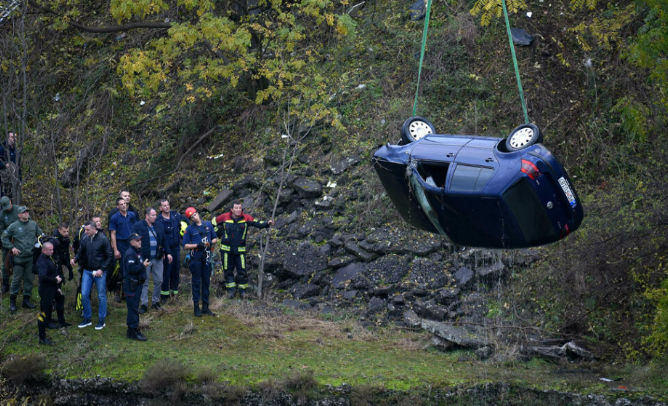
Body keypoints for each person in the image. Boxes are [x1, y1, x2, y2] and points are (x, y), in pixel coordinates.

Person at [214, 200, 273, 299]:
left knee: (242, 271)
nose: (238, 210)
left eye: (239, 208)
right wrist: (215, 233)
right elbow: (212, 224)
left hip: (240, 251)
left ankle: (243, 292)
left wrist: (267, 223)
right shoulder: (224, 217)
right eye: (236, 208)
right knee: (228, 271)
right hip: (226, 251)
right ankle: (231, 291)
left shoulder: (246, 218)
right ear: (231, 209)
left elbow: (257, 223)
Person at [71, 221, 113, 330]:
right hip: (87, 271)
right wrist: (75, 259)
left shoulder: (103, 239)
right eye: (85, 229)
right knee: (84, 294)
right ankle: (87, 318)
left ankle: (101, 320)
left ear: (94, 229)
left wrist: (102, 269)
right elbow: (81, 252)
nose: (85, 231)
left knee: (101, 296)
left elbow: (109, 256)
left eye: (87, 229)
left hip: (99, 272)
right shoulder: (85, 238)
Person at [1, 206, 43, 312]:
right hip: (18, 258)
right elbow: (4, 237)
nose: (26, 213)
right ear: (19, 215)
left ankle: (26, 300)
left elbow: (41, 236)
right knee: (16, 280)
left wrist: (40, 245)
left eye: (27, 212)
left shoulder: (33, 224)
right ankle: (12, 302)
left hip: (30, 257)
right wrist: (12, 248)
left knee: (29, 279)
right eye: (23, 212)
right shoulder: (14, 226)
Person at [131, 207, 172, 313]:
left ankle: (155, 301)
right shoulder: (138, 226)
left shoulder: (158, 225)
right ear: (147, 216)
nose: (155, 217)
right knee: (144, 282)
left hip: (157, 258)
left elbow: (164, 240)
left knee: (159, 280)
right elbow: (132, 241)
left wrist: (168, 253)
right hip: (145, 259)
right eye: (153, 215)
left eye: (155, 215)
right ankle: (144, 304)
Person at [182, 207, 217, 317]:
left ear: (198, 213)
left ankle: (206, 307)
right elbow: (185, 245)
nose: (194, 217)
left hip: (206, 257)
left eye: (195, 214)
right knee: (196, 282)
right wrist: (197, 245)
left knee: (206, 282)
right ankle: (196, 307)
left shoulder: (208, 225)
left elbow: (215, 238)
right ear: (190, 219)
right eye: (192, 217)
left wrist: (211, 243)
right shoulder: (189, 229)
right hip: (196, 257)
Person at [36, 242, 71, 345]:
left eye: (52, 249)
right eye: (50, 250)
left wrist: (57, 287)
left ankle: (61, 321)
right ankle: (42, 337)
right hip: (45, 290)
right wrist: (55, 280)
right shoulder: (42, 261)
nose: (52, 251)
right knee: (43, 312)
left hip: (53, 288)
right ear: (44, 250)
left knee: (60, 299)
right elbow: (42, 277)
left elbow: (54, 272)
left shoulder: (49, 257)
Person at [156, 199, 187, 302]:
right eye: (164, 206)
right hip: (166, 249)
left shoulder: (175, 216)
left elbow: (186, 221)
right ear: (160, 208)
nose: (167, 207)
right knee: (166, 272)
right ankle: (164, 295)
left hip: (176, 248)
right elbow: (159, 238)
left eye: (168, 205)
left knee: (175, 271)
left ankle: (175, 293)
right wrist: (164, 251)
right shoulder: (158, 220)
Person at [123, 232, 149, 341]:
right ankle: (133, 331)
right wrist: (143, 266)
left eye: (140, 240)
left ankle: (132, 330)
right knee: (133, 308)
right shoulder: (130, 253)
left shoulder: (137, 251)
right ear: (132, 242)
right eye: (137, 240)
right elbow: (131, 269)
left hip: (137, 284)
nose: (140, 242)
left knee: (134, 307)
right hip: (131, 285)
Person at [109, 198, 137, 300]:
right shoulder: (114, 218)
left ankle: (128, 291)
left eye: (125, 204)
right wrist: (115, 249)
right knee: (121, 269)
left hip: (131, 243)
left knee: (131, 266)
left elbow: (135, 230)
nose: (124, 206)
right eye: (121, 204)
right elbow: (113, 234)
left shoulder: (132, 215)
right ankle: (118, 291)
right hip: (121, 244)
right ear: (118, 206)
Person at [0, 196, 18, 293]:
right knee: (5, 264)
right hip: (7, 241)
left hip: (19, 240)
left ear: (10, 201)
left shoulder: (18, 209)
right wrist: (8, 236)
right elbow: (1, 230)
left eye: (8, 205)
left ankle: (18, 284)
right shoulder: (2, 215)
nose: (8, 208)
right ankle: (5, 285)